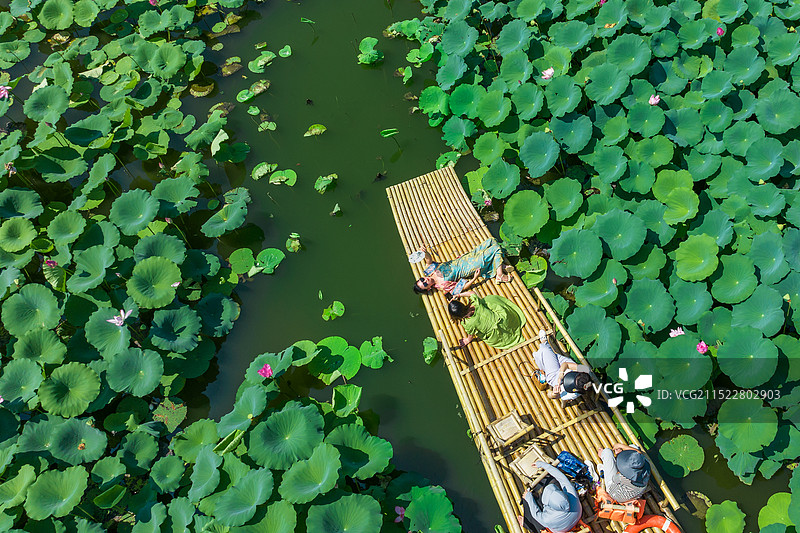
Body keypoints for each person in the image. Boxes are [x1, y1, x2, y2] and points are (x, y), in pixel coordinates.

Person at [413, 237, 511, 295]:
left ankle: (498, 264)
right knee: (496, 248)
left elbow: (428, 259)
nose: (425, 280)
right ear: (429, 288)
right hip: (469, 267)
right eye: (425, 284)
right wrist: (474, 278)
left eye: (422, 280)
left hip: (464, 258)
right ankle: (499, 274)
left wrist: (424, 253)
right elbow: (460, 289)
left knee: (491, 240)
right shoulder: (443, 285)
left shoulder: (429, 271)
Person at [517, 461, 582, 533]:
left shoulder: (548, 519)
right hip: (576, 515)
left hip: (561, 529)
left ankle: (526, 522)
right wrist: (543, 465)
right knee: (552, 479)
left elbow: (536, 514)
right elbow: (560, 477)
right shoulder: (572, 495)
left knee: (528, 503)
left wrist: (528, 496)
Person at [447, 292, 526, 350]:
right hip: (504, 321)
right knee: (487, 299)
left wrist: (467, 340)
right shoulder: (475, 303)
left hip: (497, 335)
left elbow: (471, 335)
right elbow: (472, 293)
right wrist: (459, 295)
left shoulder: (468, 323)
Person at [531, 330, 593, 401]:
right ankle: (542, 349)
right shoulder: (585, 369)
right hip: (565, 365)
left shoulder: (572, 394)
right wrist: (561, 373)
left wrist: (554, 393)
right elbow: (566, 364)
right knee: (550, 356)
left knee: (546, 351)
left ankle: (544, 344)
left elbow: (549, 395)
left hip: (555, 377)